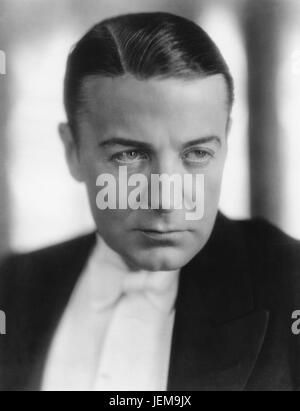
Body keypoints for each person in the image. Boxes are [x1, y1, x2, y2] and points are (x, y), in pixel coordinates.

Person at [1, 11, 300, 391]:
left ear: (225, 142)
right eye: (129, 156)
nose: (165, 199)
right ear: (73, 150)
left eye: (197, 154)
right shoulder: (12, 287)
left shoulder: (291, 284)